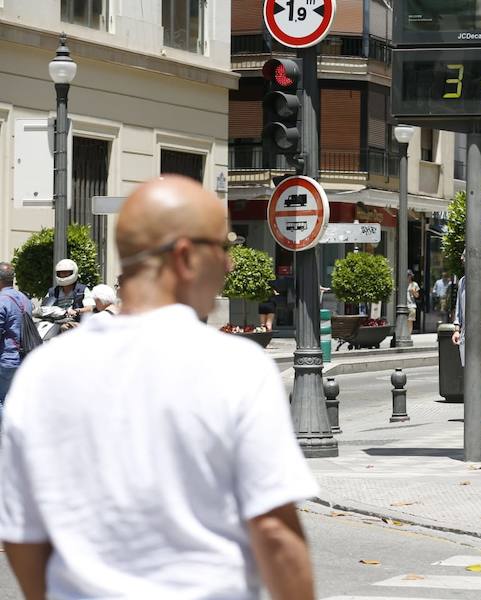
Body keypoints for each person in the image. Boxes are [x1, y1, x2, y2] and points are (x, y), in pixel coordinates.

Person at [0, 176, 318, 599]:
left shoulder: (41, 374)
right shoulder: (235, 368)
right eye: (222, 248)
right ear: (186, 256)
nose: (229, 265)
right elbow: (276, 534)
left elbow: (21, 534)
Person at [451, 250, 481, 423]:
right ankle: (473, 410)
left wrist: (477, 333)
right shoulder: (463, 281)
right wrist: (457, 328)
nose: (462, 258)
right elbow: (459, 306)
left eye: (465, 256)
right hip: (465, 333)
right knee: (470, 371)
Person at [0, 262, 30, 425]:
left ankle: (8, 437)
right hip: (23, 358)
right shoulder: (25, 299)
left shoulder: (2, 300)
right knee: (13, 401)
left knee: (2, 401)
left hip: (5, 359)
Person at [407, 269, 420, 334]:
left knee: (410, 321)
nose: (408, 277)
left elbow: (417, 296)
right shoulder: (402, 284)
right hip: (403, 305)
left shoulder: (414, 284)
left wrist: (413, 291)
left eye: (409, 275)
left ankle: (409, 335)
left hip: (411, 305)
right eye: (407, 275)